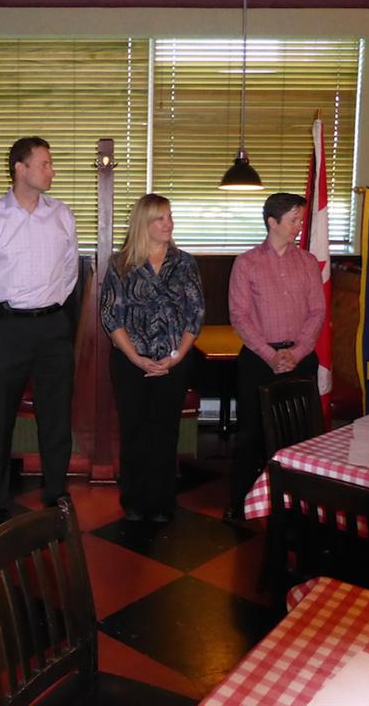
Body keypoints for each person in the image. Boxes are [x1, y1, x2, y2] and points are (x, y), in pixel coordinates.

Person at [0, 137, 78, 527]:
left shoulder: (62, 216)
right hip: (7, 327)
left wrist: (49, 307)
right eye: (44, 164)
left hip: (53, 326)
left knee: (56, 416)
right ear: (20, 169)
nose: (51, 171)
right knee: (0, 416)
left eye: (50, 163)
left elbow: (69, 272)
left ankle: (56, 493)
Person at [100, 194, 204, 523]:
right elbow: (111, 317)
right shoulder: (120, 264)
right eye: (160, 218)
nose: (168, 223)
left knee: (165, 431)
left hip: (174, 362)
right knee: (134, 431)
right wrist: (137, 358)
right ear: (143, 223)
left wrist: (176, 357)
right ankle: (134, 500)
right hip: (131, 363)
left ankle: (162, 501)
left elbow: (195, 315)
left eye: (169, 216)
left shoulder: (184, 263)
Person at [226, 192, 325, 520]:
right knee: (251, 434)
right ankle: (242, 504)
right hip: (258, 360)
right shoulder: (247, 263)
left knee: (300, 435)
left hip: (301, 359)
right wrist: (271, 355)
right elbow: (240, 316)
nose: (299, 226)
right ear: (273, 222)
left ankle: (299, 507)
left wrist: (296, 353)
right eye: (294, 220)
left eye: (300, 219)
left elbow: (317, 312)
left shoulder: (308, 262)